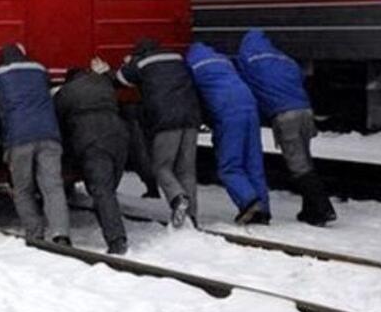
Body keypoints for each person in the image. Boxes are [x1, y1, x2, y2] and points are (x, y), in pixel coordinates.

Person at [0, 44, 71, 246]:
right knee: (53, 186)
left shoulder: (0, 74)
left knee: (22, 189)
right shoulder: (39, 70)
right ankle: (60, 234)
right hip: (49, 136)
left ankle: (35, 233)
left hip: (20, 139)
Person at [236, 29, 336, 226]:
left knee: (297, 165)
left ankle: (323, 209)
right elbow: (299, 79)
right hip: (305, 112)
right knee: (305, 160)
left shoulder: (247, 60)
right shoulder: (285, 59)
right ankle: (309, 211)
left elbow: (244, 85)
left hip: (284, 116)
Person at [108, 38, 203, 228]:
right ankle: (191, 218)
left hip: (166, 120)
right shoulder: (177, 58)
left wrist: (110, 70)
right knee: (186, 170)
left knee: (161, 167)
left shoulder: (141, 62)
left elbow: (119, 80)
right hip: (192, 118)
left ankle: (178, 199)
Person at [186, 42, 270, 224]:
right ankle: (263, 210)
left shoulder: (190, 62)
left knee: (229, 166)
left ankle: (249, 201)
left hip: (228, 110)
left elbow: (192, 95)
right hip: (250, 106)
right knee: (253, 162)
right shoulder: (221, 58)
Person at [54, 67, 130, 254]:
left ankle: (116, 240)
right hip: (119, 136)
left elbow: (57, 121)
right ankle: (109, 219)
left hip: (92, 140)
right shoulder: (103, 84)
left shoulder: (66, 92)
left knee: (102, 191)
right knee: (108, 189)